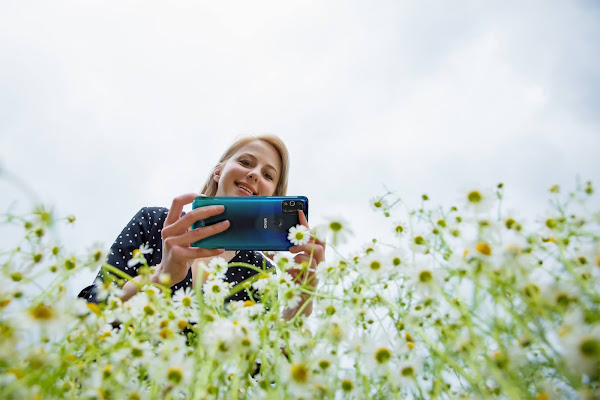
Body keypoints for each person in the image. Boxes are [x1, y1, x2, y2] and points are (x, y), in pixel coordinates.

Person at [78, 135, 324, 318]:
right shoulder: (154, 223)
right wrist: (160, 275)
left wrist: (301, 302)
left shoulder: (262, 274)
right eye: (246, 162)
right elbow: (91, 312)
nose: (255, 174)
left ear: (272, 197)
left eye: (268, 176)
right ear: (219, 171)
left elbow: (262, 372)